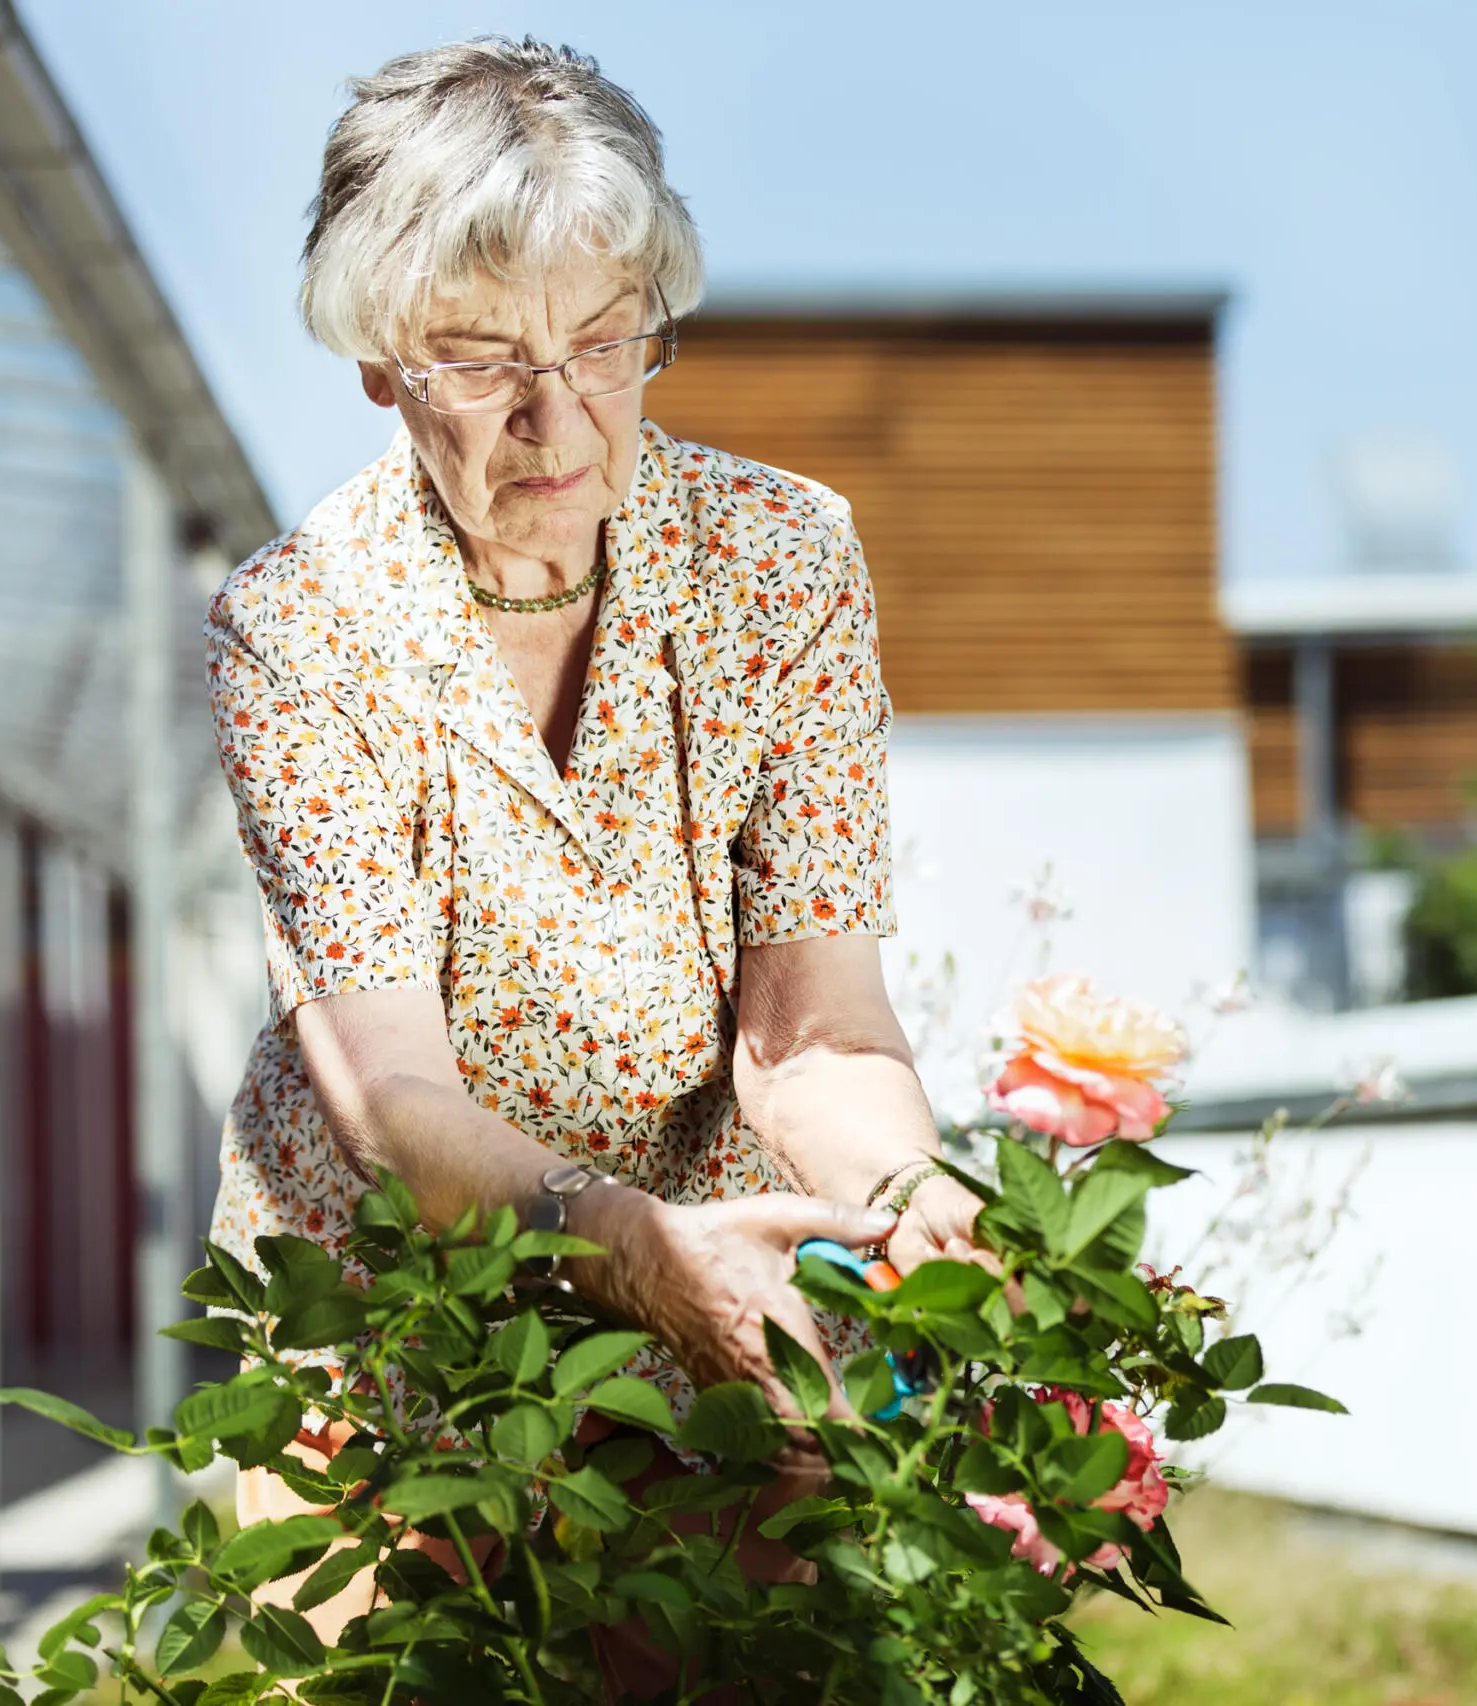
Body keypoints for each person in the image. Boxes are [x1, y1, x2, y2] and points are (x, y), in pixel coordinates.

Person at [204, 35, 981, 1588]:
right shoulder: (296, 633)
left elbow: (810, 1034)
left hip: (721, 1313)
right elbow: (392, 1094)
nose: (557, 423)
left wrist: (914, 1203)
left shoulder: (782, 563)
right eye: (481, 360)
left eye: (606, 342)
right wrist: (625, 1243)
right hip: (400, 1333)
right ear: (377, 359)